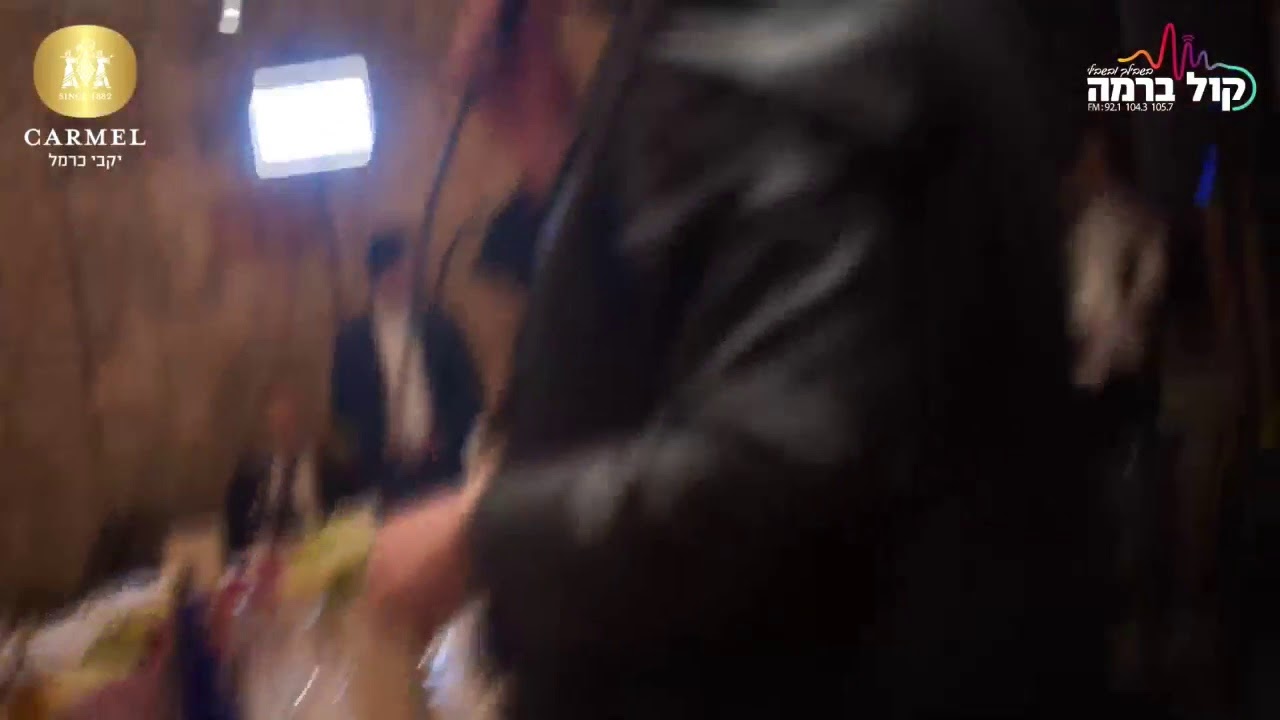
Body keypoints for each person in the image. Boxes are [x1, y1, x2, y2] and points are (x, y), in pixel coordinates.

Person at [367, 1, 1112, 718]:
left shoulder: (747, 21)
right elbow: (746, 330)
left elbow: (773, 471)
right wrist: (543, 135)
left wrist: (479, 540)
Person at [331, 232, 483, 510]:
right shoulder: (353, 340)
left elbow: (468, 392)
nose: (405, 280)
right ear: (379, 275)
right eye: (398, 271)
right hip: (384, 473)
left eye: (408, 271)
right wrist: (374, 445)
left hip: (441, 465)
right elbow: (344, 408)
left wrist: (446, 435)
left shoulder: (439, 327)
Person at [224, 384, 357, 553]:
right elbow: (239, 536)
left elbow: (347, 523)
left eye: (290, 422)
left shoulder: (331, 469)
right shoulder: (252, 476)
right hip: (262, 557)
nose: (286, 431)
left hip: (312, 553)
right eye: (280, 424)